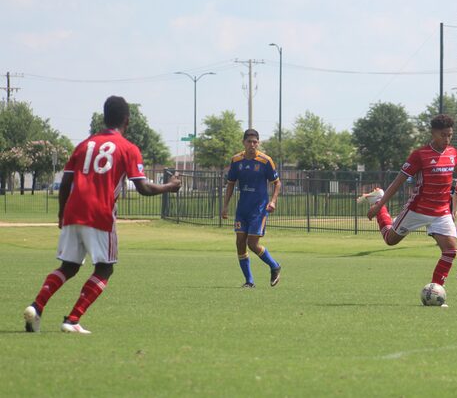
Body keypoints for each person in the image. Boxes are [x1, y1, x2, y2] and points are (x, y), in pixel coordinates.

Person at [23, 96, 182, 334]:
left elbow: (66, 181)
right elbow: (143, 187)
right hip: (100, 214)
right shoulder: (128, 148)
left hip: (73, 212)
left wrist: (61, 213)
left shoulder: (84, 144)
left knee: (68, 266)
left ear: (105, 117)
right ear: (127, 120)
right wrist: (170, 186)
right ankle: (72, 319)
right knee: (105, 268)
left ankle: (37, 306)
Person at [357, 114, 457, 298]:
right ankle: (377, 199)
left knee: (450, 251)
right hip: (417, 209)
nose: (447, 139)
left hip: (441, 212)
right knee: (390, 240)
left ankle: (435, 291)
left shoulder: (451, 152)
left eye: (450, 135)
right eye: (443, 135)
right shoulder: (420, 155)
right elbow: (398, 182)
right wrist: (380, 205)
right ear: (433, 133)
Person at [221, 129, 283, 288]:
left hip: (259, 209)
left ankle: (274, 266)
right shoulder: (236, 160)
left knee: (253, 244)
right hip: (242, 209)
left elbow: (277, 183)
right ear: (243, 142)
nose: (252, 144)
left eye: (255, 142)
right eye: (249, 141)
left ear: (258, 143)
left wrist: (273, 201)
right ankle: (249, 281)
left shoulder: (265, 161)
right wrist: (225, 206)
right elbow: (231, 184)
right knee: (240, 243)